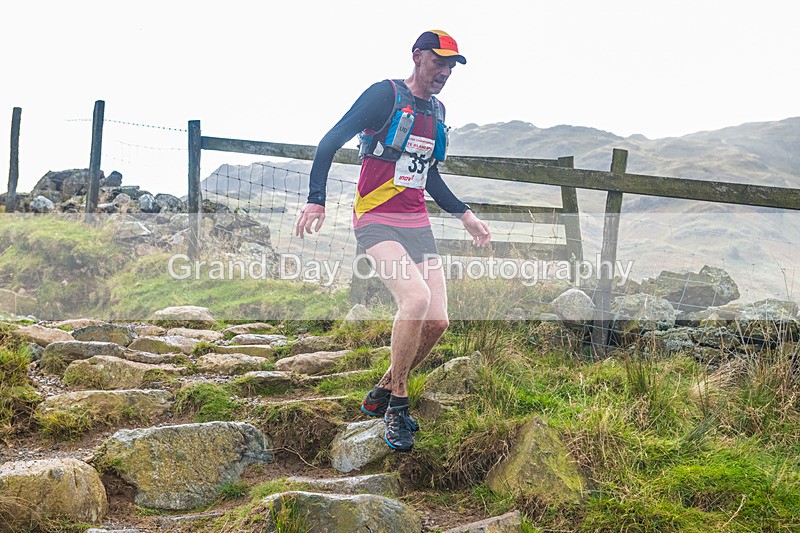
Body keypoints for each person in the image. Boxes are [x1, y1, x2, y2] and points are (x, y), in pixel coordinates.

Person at [295, 30, 491, 452]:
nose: (444, 72)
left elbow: (428, 174)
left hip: (416, 221)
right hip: (375, 217)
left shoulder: (438, 110)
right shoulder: (384, 95)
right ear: (417, 56)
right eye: (438, 62)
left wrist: (465, 214)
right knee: (415, 300)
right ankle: (398, 405)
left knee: (438, 321)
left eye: (452, 65)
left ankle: (384, 385)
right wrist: (316, 200)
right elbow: (330, 140)